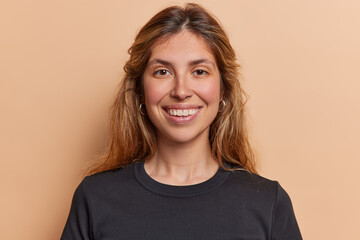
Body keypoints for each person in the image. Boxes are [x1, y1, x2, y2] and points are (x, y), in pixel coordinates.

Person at [61, 3, 302, 240]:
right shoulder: (95, 198)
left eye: (199, 71)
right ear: (140, 90)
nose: (181, 90)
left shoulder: (268, 203)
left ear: (223, 91)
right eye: (162, 72)